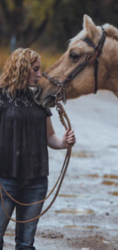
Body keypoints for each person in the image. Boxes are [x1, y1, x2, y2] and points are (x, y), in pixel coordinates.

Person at [0, 48, 76, 250]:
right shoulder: (1, 96)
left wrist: (64, 142)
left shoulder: (40, 99)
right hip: (5, 179)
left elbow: (50, 136)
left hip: (36, 182)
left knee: (26, 244)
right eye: (35, 69)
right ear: (22, 69)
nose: (40, 75)